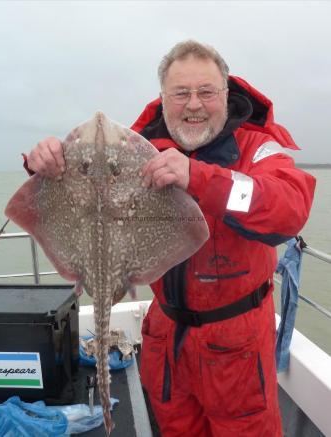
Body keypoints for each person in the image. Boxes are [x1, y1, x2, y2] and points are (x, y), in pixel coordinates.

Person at [25, 40, 315, 436]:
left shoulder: (257, 148)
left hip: (237, 347)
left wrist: (200, 178)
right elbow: (88, 190)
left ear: (226, 95)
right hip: (165, 337)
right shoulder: (140, 151)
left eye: (206, 92)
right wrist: (44, 164)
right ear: (163, 99)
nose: (193, 104)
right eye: (181, 93)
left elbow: (289, 205)